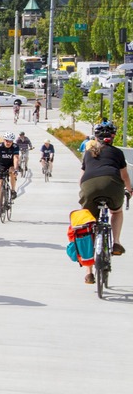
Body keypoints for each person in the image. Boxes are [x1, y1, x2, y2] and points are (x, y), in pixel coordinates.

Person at [79, 121, 132, 284]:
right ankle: (115, 242)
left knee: (88, 224)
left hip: (89, 186)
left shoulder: (88, 153)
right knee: (116, 211)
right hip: (112, 184)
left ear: (96, 137)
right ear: (113, 136)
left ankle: (88, 272)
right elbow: (124, 176)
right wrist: (129, 190)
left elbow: (81, 178)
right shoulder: (117, 153)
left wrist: (84, 193)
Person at [0, 132, 20, 216]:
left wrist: (16, 169)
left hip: (11, 164)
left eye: (10, 141)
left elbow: (16, 158)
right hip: (2, 165)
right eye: (6, 141)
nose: (8, 142)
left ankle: (13, 190)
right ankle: (0, 206)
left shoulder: (15, 147)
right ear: (4, 140)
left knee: (12, 171)